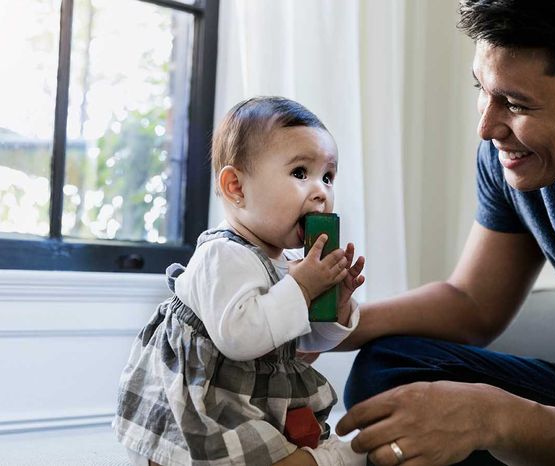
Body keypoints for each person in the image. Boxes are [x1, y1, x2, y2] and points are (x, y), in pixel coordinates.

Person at [335, 0, 555, 465]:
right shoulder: (523, 156)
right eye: (482, 88)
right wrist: (326, 328)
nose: (486, 127)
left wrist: (491, 417)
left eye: (517, 104)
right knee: (390, 371)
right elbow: (473, 304)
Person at [113, 96, 367, 466]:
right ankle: (338, 460)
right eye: (300, 173)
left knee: (273, 445)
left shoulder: (290, 262)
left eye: (328, 177)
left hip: (247, 394)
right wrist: (301, 289)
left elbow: (301, 341)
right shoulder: (223, 255)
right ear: (237, 188)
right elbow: (241, 337)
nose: (321, 191)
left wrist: (335, 306)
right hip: (204, 400)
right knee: (244, 453)